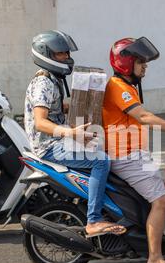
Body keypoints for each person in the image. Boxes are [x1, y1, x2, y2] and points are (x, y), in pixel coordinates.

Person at [103, 37, 165, 263]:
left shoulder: (126, 87)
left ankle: (148, 240)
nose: (145, 66)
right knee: (162, 200)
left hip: (135, 154)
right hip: (124, 156)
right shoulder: (118, 87)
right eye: (141, 62)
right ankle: (154, 260)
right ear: (126, 63)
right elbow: (144, 117)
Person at [24, 30, 126, 237]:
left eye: (67, 53)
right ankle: (94, 220)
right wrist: (70, 133)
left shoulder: (52, 79)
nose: (67, 58)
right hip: (49, 146)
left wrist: (90, 104)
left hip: (57, 140)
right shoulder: (43, 82)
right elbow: (41, 122)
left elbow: (56, 108)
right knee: (101, 161)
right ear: (47, 54)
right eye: (61, 54)